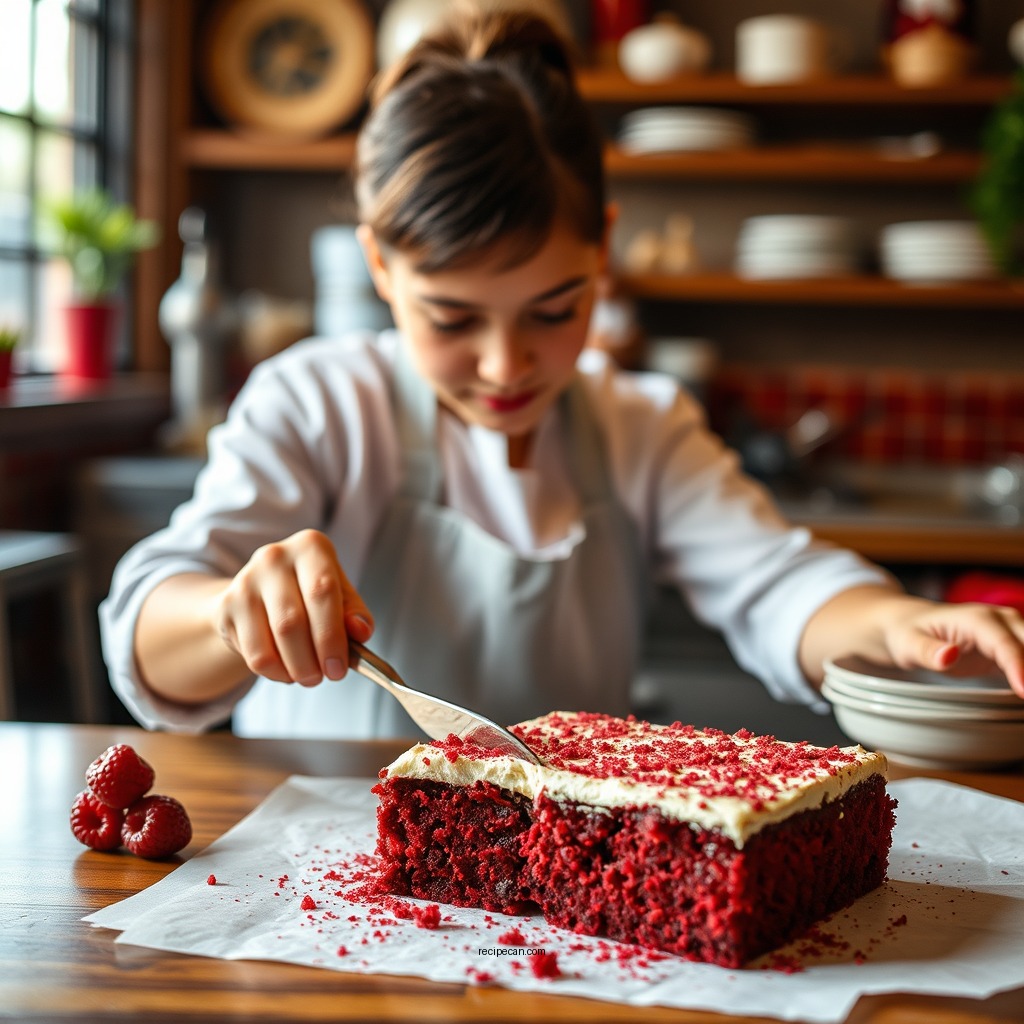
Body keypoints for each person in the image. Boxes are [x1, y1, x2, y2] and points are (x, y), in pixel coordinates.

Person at [100, 5, 1024, 739]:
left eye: (555, 311)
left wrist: (895, 625)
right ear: (381, 266)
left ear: (604, 252)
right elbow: (145, 634)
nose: (506, 366)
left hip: (571, 908)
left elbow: (779, 585)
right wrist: (231, 611)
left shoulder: (641, 427)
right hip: (320, 898)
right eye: (452, 318)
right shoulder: (319, 403)